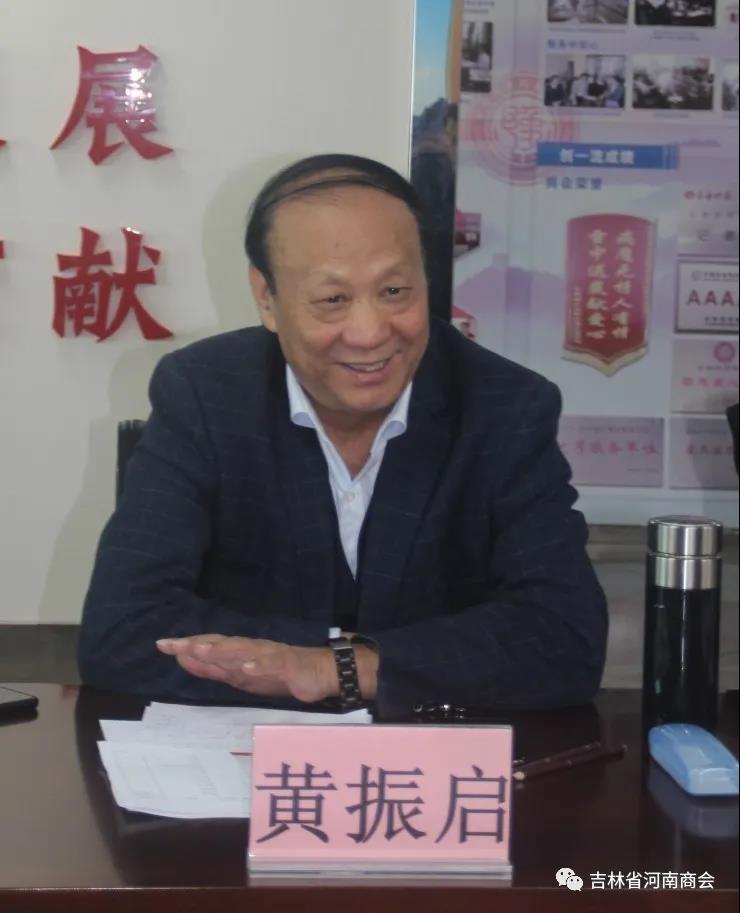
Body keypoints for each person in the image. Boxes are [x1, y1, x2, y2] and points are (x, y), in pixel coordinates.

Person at [78, 154, 608, 718]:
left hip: (431, 762)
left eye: (395, 291)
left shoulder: (504, 407)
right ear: (267, 298)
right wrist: (368, 658)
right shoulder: (205, 395)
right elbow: (122, 630)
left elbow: (564, 639)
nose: (370, 333)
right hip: (240, 760)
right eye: (332, 300)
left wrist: (332, 668)